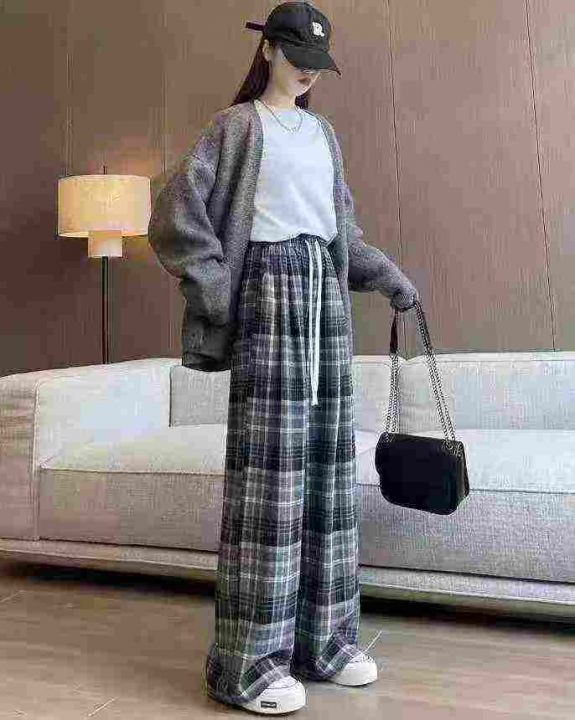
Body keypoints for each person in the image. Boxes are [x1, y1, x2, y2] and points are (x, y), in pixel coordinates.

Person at [148, 2, 419, 715]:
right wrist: (218, 289)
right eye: (296, 55)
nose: (306, 71)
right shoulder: (236, 127)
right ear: (267, 48)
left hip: (326, 302)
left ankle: (323, 641)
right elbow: (173, 213)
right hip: (268, 295)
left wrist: (387, 276)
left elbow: (339, 232)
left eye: (316, 62)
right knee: (270, 481)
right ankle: (247, 664)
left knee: (328, 471)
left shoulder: (323, 135)